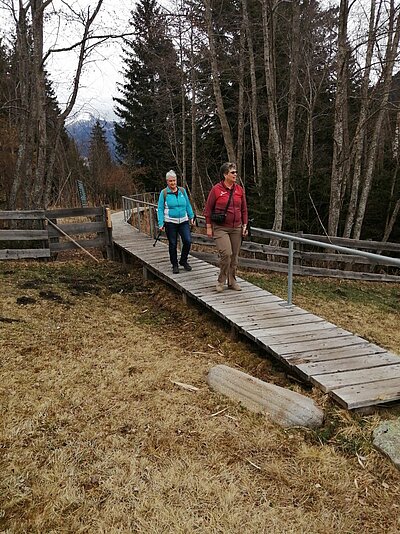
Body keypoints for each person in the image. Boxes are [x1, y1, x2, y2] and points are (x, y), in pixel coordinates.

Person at [204, 162, 248, 292]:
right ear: (225, 175)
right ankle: (221, 280)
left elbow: (244, 209)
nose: (235, 174)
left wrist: (245, 225)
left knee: (234, 256)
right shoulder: (216, 189)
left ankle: (232, 281)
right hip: (221, 228)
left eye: (235, 172)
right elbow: (208, 209)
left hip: (237, 227)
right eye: (232, 172)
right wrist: (208, 227)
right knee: (226, 254)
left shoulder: (239, 190)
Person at [157, 170, 195, 274]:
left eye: (174, 181)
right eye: (170, 181)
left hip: (183, 220)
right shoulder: (164, 193)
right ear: (167, 182)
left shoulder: (182, 191)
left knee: (187, 241)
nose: (173, 183)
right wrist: (161, 223)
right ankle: (174, 264)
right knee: (173, 244)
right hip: (170, 222)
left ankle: (183, 260)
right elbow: (160, 208)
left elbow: (187, 204)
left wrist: (191, 216)